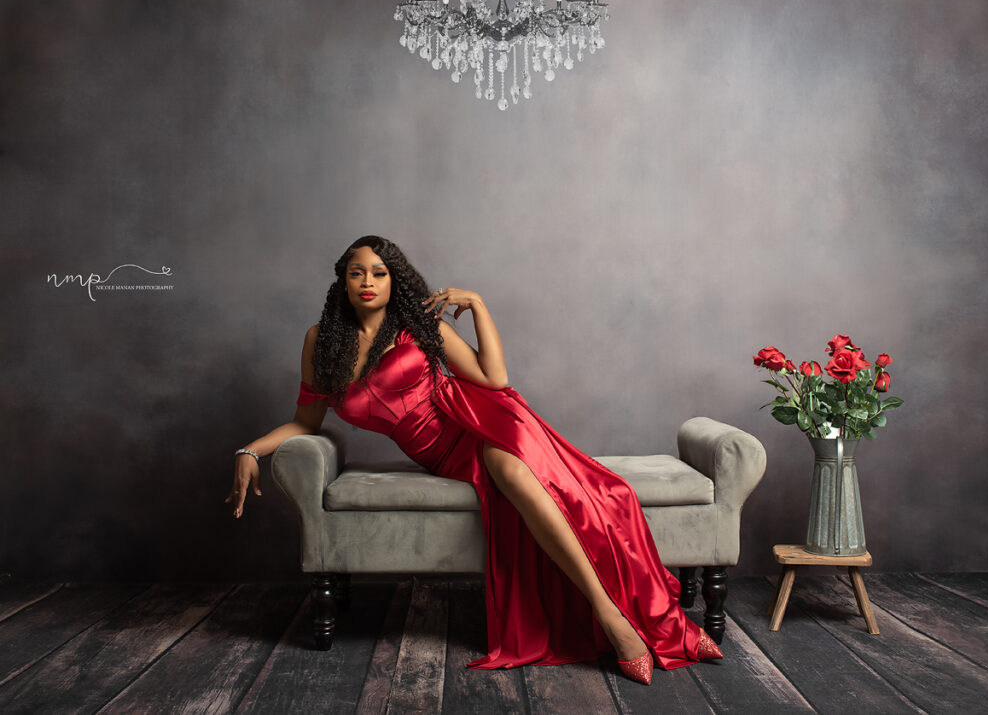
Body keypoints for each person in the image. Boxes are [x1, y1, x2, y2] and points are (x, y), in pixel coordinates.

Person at [227, 235, 722, 684]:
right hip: (442, 455)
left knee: (509, 469)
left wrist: (479, 304)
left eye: (379, 272)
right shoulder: (321, 343)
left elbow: (495, 380)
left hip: (483, 417)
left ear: (394, 279)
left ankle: (612, 616)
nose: (368, 282)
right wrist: (251, 449)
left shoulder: (418, 326)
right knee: (508, 480)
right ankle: (616, 613)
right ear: (343, 280)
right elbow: (305, 424)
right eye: (357, 272)